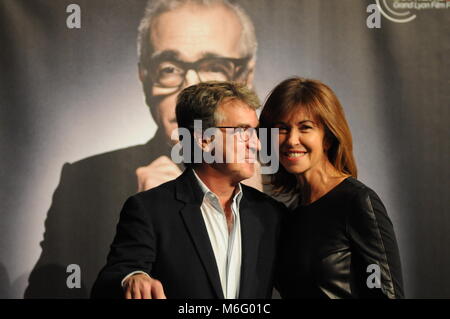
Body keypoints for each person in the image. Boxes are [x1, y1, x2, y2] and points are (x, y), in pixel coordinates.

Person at [25, 0, 260, 298]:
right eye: (169, 68)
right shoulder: (86, 181)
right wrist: (133, 275)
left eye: (214, 67)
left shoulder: (278, 194)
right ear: (144, 76)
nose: (190, 87)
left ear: (246, 75)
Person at [91, 81, 285, 299]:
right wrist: (133, 278)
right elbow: (112, 280)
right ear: (203, 139)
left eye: (255, 132)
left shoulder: (270, 214)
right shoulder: (149, 209)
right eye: (242, 132)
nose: (257, 145)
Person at [259, 77, 404, 298]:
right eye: (282, 129)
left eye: (305, 127)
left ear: (327, 137)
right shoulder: (289, 215)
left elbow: (384, 292)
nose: (291, 140)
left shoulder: (356, 202)